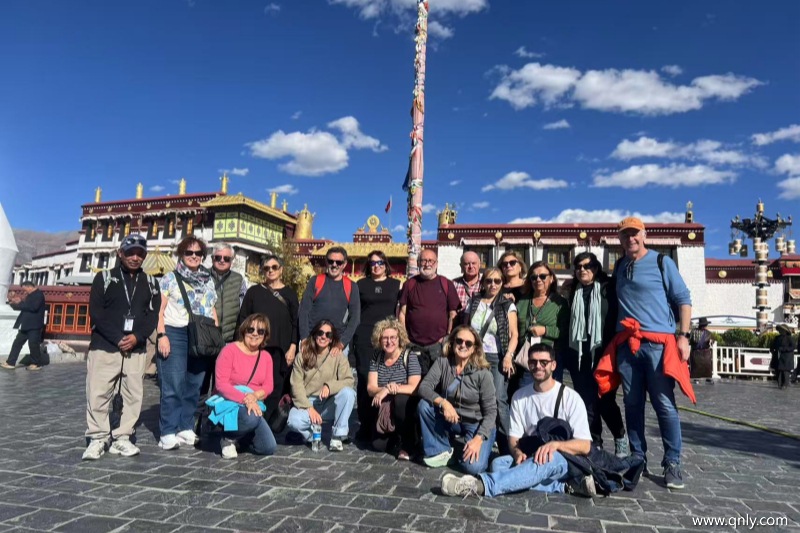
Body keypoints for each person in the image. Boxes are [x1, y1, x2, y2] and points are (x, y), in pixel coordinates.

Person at [595, 217, 694, 490]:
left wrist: (683, 337)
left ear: (644, 234)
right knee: (632, 403)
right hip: (628, 346)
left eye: (635, 234)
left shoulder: (663, 262)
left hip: (658, 345)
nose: (630, 239)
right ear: (620, 239)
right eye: (625, 235)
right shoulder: (621, 265)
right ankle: (638, 457)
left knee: (664, 404)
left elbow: (683, 300)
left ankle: (672, 462)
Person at [439, 343, 595, 499]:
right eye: (533, 362)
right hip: (533, 454)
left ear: (553, 365)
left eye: (544, 362)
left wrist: (555, 446)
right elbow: (514, 438)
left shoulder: (571, 398)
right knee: (498, 465)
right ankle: (564, 487)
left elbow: (585, 446)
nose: (538, 366)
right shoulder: (520, 396)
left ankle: (480, 486)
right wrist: (517, 452)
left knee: (548, 458)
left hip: (564, 459)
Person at [81, 234, 161, 460]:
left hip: (135, 349)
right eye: (130, 252)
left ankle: (123, 437)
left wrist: (137, 336)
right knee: (98, 392)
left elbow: (152, 315)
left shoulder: (151, 283)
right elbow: (96, 312)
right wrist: (118, 337)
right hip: (105, 346)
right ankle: (97, 437)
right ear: (120, 253)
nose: (135, 257)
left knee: (133, 394)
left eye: (140, 253)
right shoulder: (104, 278)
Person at [155, 236, 219, 450]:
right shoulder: (170, 278)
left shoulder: (208, 280)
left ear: (203, 256)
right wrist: (161, 335)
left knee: (194, 384)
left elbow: (212, 309)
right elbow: (160, 309)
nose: (193, 256)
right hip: (175, 332)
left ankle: (185, 426)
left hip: (201, 334)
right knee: (173, 383)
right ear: (181, 254)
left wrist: (215, 335)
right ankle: (167, 430)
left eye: (198, 253)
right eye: (189, 252)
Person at [566, 252, 627, 457]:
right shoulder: (572, 291)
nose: (583, 270)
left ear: (597, 267)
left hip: (604, 352)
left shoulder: (609, 289)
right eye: (579, 266)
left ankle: (620, 436)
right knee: (586, 401)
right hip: (579, 354)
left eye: (587, 265)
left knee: (605, 399)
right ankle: (595, 441)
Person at [417, 325, 497, 475]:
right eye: (459, 341)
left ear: (474, 348)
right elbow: (424, 387)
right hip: (452, 417)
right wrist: (444, 403)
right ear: (452, 343)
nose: (463, 345)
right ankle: (441, 450)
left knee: (472, 468)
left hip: (476, 423)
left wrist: (478, 439)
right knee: (425, 406)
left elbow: (491, 412)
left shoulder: (483, 373)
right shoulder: (443, 363)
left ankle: (482, 448)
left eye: (468, 343)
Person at [238, 255, 299, 422]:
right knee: (255, 385)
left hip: (281, 350)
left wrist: (293, 346)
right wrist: (242, 346)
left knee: (276, 387)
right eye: (266, 268)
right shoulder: (254, 292)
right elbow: (243, 319)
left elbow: (296, 323)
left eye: (274, 267)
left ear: (281, 270)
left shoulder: (289, 294)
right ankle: (253, 419)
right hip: (256, 349)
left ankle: (270, 423)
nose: (270, 271)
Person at [465, 267, 518, 454]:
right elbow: (466, 329)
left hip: (497, 357)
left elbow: (514, 335)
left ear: (502, 283)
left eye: (497, 281)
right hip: (475, 357)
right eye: (489, 281)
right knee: (477, 398)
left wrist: (508, 357)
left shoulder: (507, 305)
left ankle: (508, 447)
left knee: (498, 400)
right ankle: (480, 440)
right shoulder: (473, 303)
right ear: (483, 283)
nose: (493, 284)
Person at [353, 250, 401, 442]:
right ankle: (365, 425)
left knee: (386, 377)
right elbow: (355, 312)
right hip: (365, 335)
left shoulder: (396, 284)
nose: (376, 266)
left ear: (386, 264)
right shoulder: (361, 284)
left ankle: (384, 423)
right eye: (372, 263)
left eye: (380, 262)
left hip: (388, 338)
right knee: (366, 380)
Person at [287, 319, 356, 451]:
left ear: (331, 339)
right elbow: (296, 386)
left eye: (328, 335)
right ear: (315, 335)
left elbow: (349, 380)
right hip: (308, 402)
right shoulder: (302, 356)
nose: (323, 336)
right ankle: (312, 437)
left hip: (328, 402)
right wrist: (309, 408)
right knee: (293, 421)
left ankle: (337, 436)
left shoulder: (338, 356)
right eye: (320, 333)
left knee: (348, 393)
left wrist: (330, 386)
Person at [213, 313, 276, 459]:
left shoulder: (266, 357)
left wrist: (254, 396)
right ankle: (228, 438)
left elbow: (268, 386)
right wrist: (246, 399)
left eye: (260, 331)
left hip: (253, 402)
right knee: (252, 417)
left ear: (265, 335)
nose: (255, 334)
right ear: (244, 330)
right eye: (251, 329)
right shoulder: (229, 351)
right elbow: (221, 384)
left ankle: (241, 437)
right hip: (230, 402)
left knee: (268, 447)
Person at [399, 249, 460, 375]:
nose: (427, 264)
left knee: (437, 382)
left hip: (438, 345)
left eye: (430, 261)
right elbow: (402, 313)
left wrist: (447, 336)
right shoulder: (409, 284)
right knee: (413, 381)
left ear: (436, 264)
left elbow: (452, 314)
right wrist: (405, 338)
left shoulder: (446, 284)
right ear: (418, 263)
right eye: (423, 260)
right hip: (413, 344)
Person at [367, 317, 421, 460]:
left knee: (400, 399)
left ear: (399, 338)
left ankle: (408, 443)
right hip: (384, 407)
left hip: (405, 406)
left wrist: (388, 390)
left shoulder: (409, 356)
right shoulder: (376, 357)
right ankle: (394, 437)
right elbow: (370, 388)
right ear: (379, 340)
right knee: (378, 446)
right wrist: (386, 388)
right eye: (385, 338)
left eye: (393, 338)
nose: (389, 342)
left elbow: (414, 388)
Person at [514, 262, 569, 388]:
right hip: (526, 360)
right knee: (526, 396)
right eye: (534, 277)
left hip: (549, 360)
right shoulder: (522, 301)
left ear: (551, 278)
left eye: (542, 276)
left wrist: (545, 330)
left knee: (549, 397)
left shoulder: (559, 303)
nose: (538, 279)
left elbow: (565, 331)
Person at [298, 246, 360, 357]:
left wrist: (342, 343)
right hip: (312, 340)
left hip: (336, 344)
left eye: (339, 262)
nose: (334, 265)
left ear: (344, 264)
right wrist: (304, 338)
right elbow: (303, 311)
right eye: (331, 261)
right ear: (327, 262)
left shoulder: (351, 286)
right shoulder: (315, 281)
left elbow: (355, 318)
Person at [2, 281, 46, 371]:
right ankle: (10, 362)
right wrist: (13, 302)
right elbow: (24, 307)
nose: (24, 291)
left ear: (29, 286)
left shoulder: (39, 295)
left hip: (34, 325)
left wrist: (20, 303)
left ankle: (36, 363)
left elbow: (33, 307)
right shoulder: (29, 296)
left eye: (25, 289)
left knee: (33, 344)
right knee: (17, 343)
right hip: (25, 325)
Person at [453, 251, 483, 320]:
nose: (471, 266)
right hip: (458, 326)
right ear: (461, 266)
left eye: (473, 263)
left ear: (479, 264)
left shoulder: (486, 284)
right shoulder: (453, 284)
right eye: (466, 264)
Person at [770, 324, 795, 390]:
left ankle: (785, 384)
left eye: (781, 330)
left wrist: (783, 349)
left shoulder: (789, 338)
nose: (780, 331)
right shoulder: (777, 338)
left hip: (786, 358)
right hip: (778, 358)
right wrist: (772, 350)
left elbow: (792, 347)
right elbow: (772, 345)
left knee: (785, 372)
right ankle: (780, 384)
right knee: (778, 371)